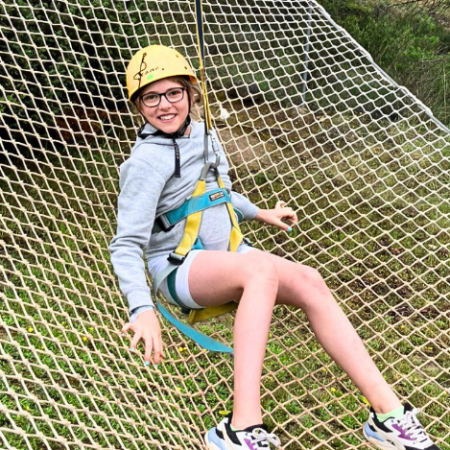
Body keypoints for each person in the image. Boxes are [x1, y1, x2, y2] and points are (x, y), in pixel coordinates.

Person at [110, 45, 441, 450]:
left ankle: (387, 415)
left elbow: (218, 193)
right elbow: (126, 243)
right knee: (261, 271)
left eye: (173, 93)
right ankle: (241, 428)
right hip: (178, 267)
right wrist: (141, 308)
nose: (164, 105)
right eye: (151, 97)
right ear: (137, 105)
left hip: (230, 255)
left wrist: (258, 211)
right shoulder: (145, 161)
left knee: (309, 280)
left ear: (192, 93)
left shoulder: (205, 134)